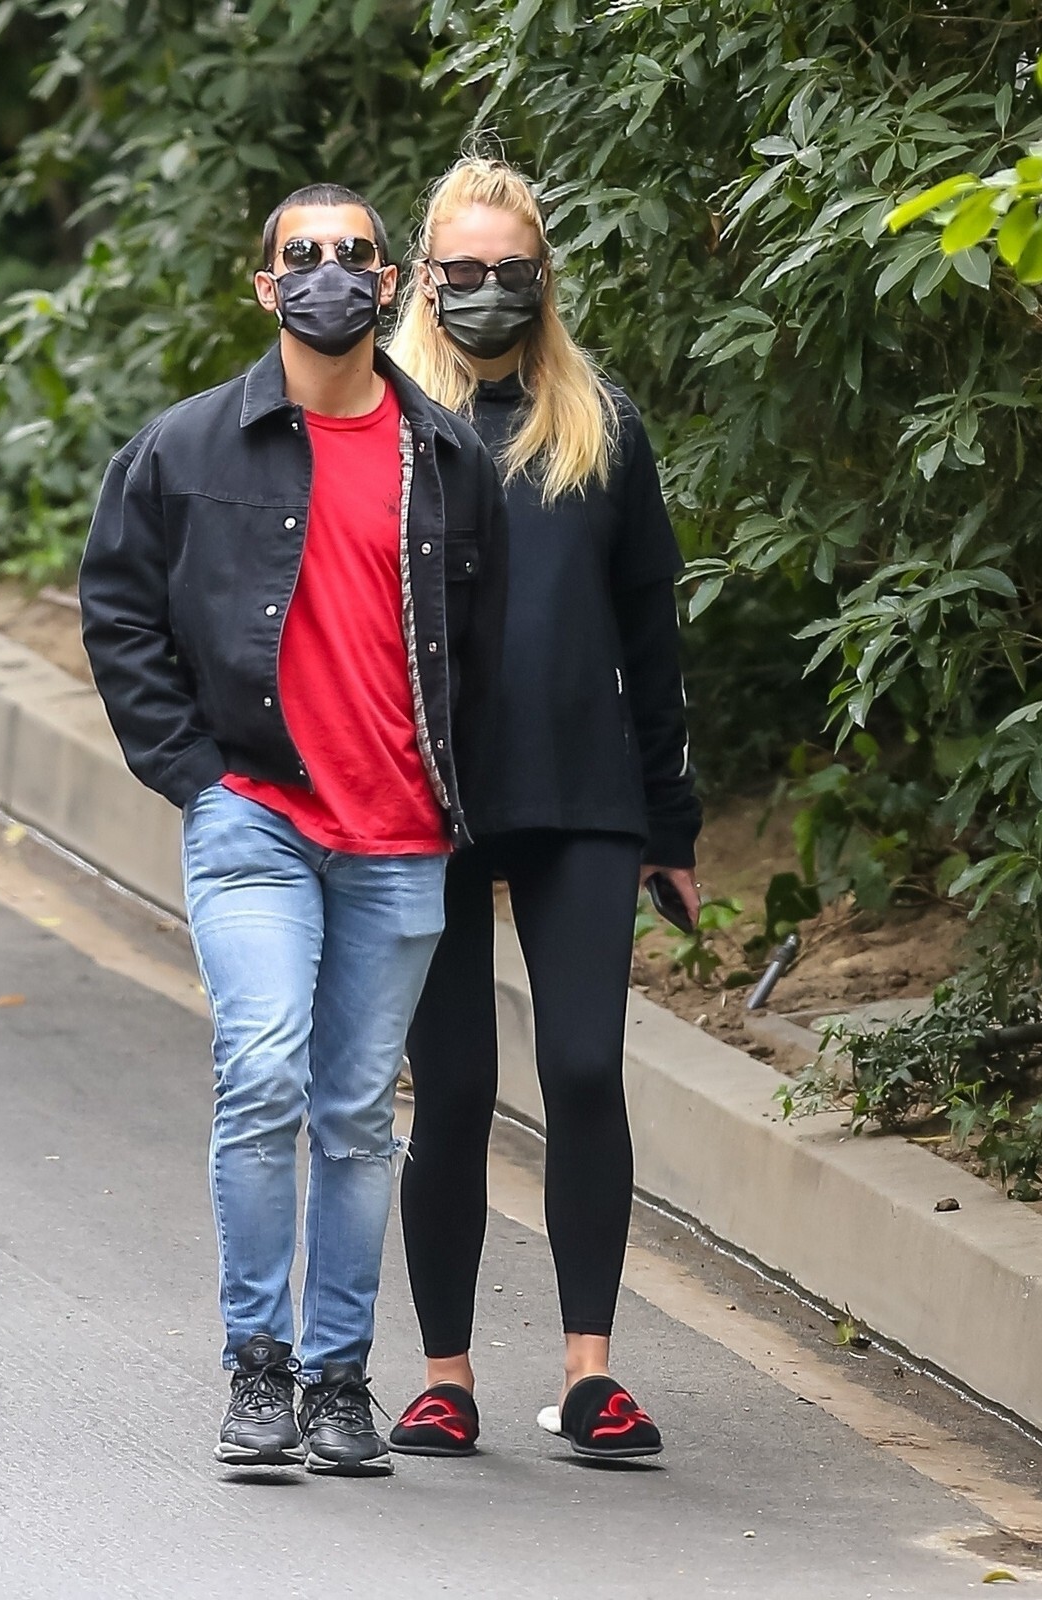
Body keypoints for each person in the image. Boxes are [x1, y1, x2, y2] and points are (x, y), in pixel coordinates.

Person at [79, 182, 508, 1477]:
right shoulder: (186, 447)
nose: (330, 272)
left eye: (354, 255)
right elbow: (118, 608)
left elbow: (479, 654)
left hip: (399, 837)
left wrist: (460, 797)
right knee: (263, 1073)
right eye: (303, 255)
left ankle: (336, 1382)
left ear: (389, 284)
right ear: (267, 287)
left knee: (359, 1112)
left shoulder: (447, 459)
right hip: (255, 817)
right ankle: (257, 1366)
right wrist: (195, 775)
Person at [381, 157, 700, 1462]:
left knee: (582, 1068)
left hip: (581, 790)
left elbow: (651, 635)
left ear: (545, 279)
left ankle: (589, 1374)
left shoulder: (599, 426)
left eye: (511, 270)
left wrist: (672, 824)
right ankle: (443, 1375)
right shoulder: (385, 427)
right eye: (463, 271)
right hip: (430, 801)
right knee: (454, 1087)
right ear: (423, 279)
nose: (487, 291)